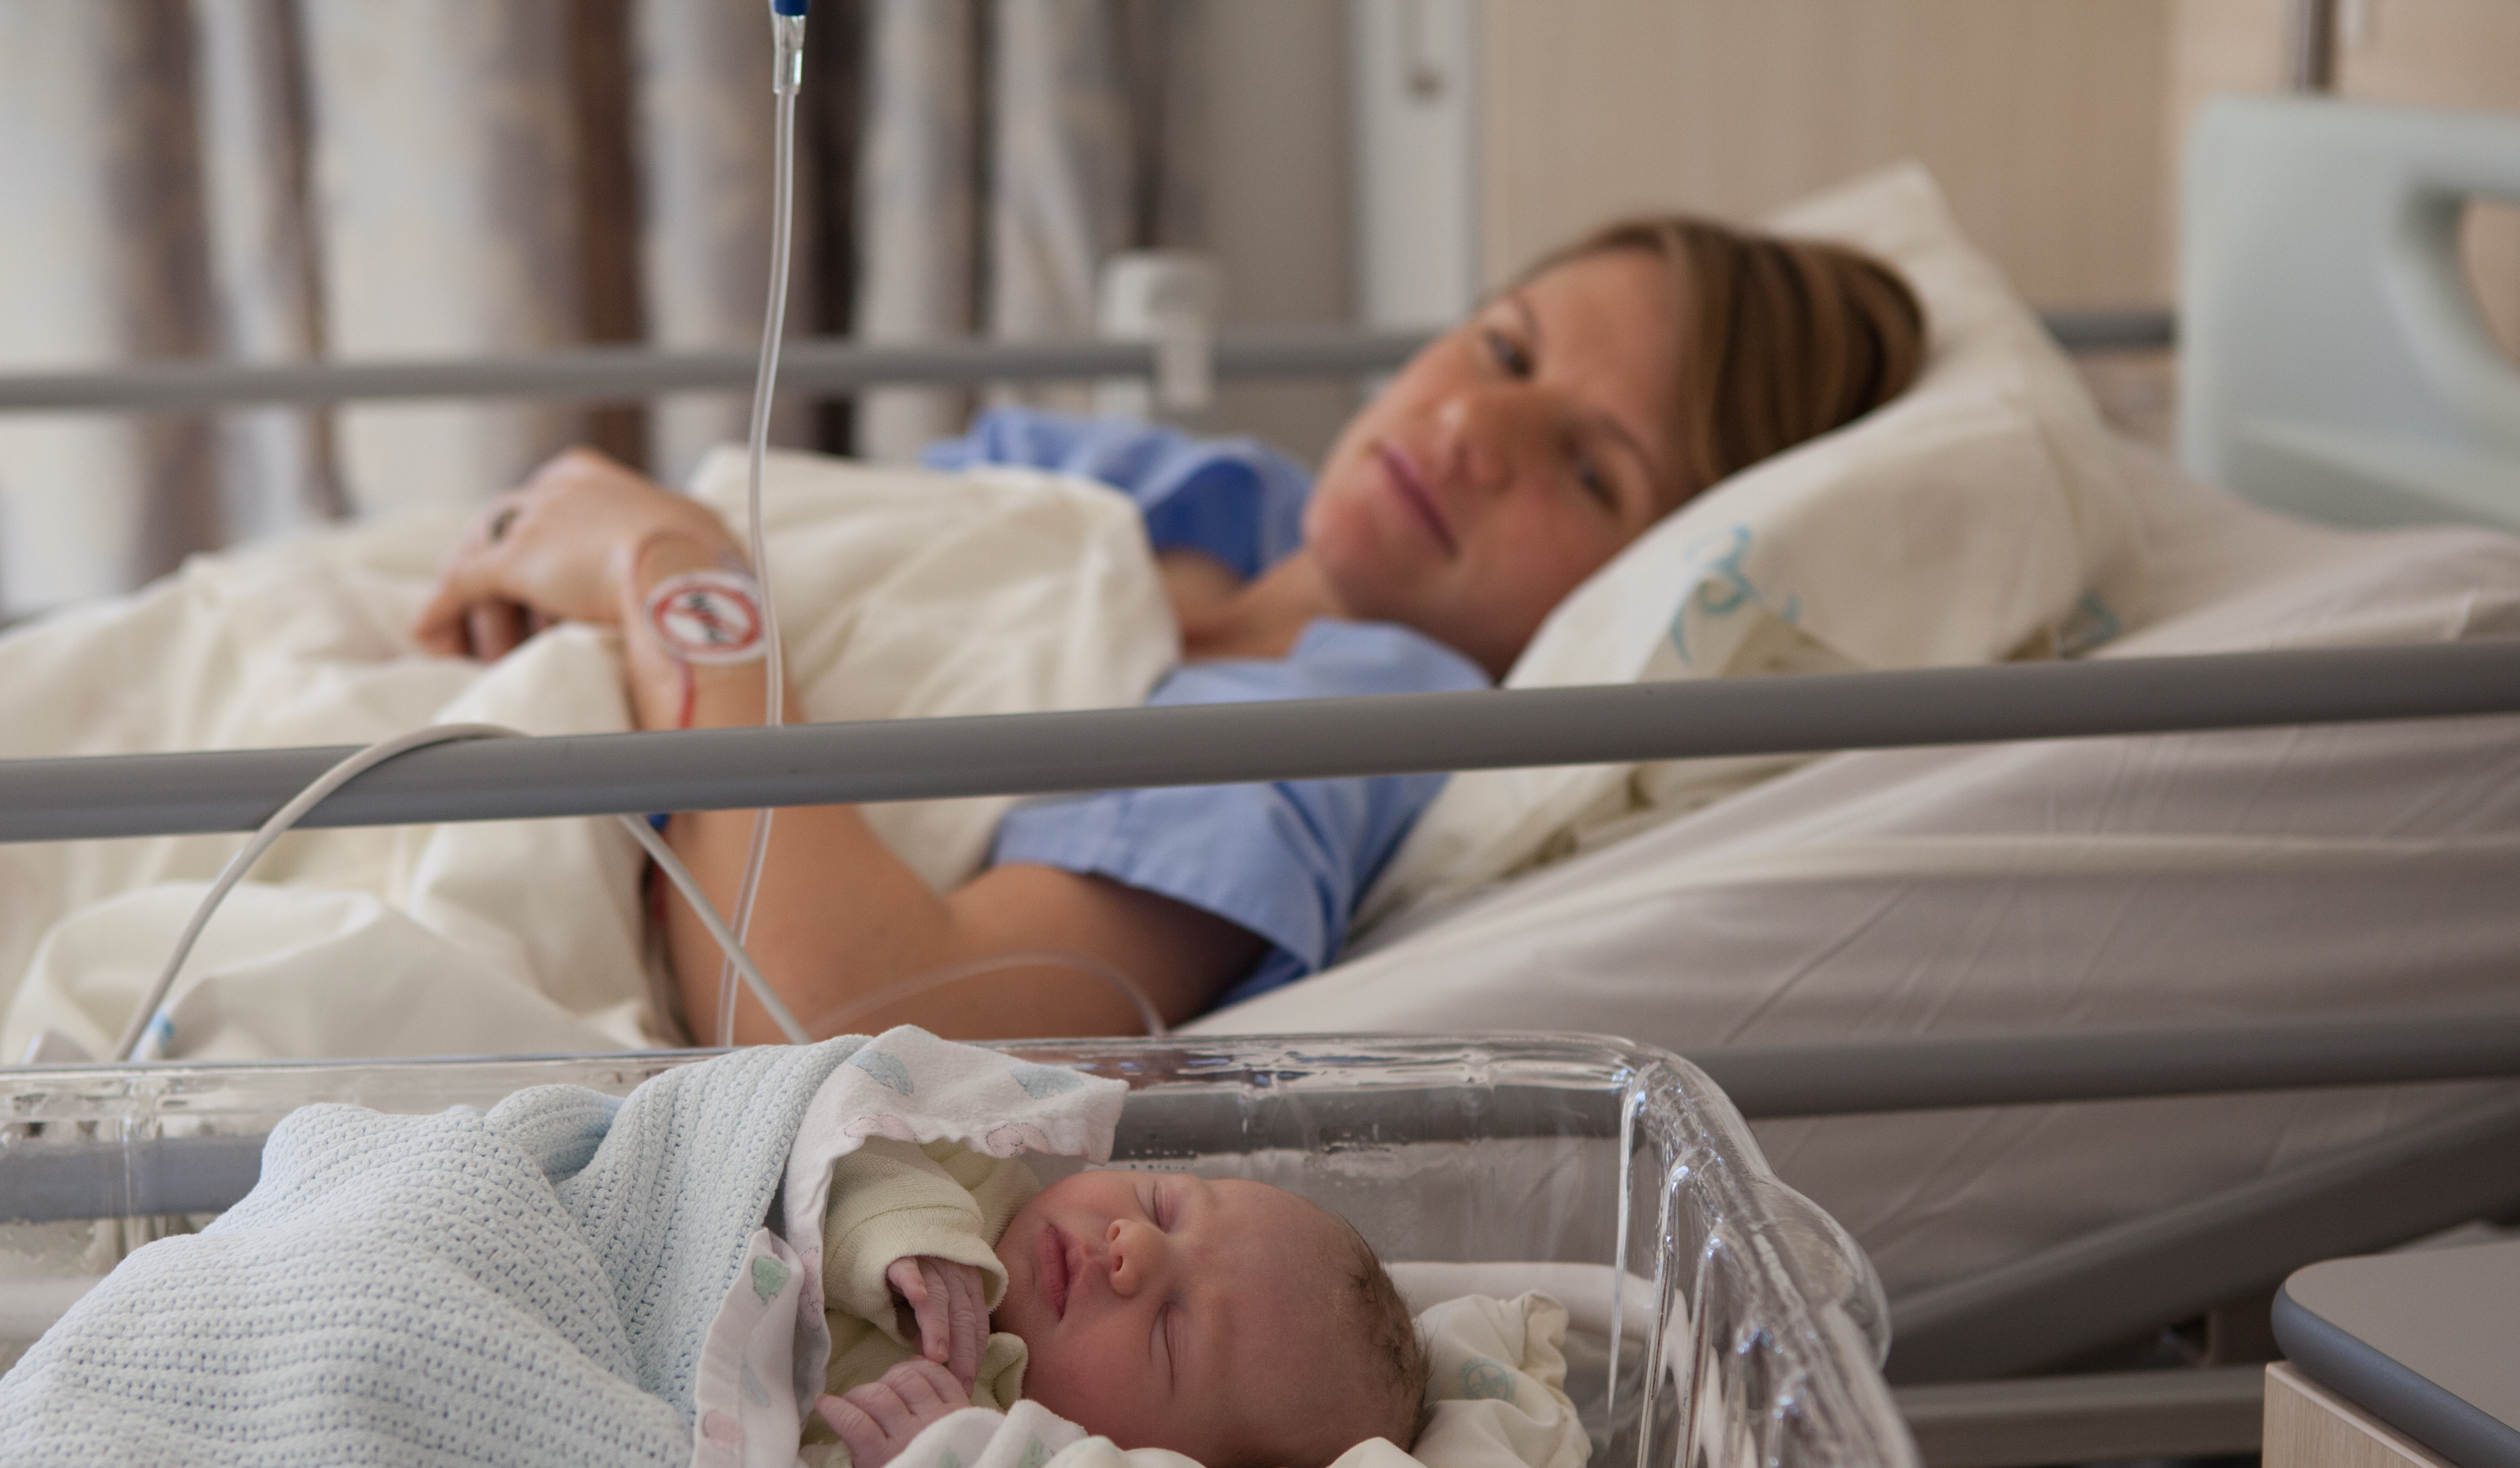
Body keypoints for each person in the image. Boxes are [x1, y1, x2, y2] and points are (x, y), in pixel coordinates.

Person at [415, 217, 1926, 1045]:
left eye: (1591, 467)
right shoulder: (1195, 493)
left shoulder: (1348, 718)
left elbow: (846, 1011)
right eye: (1503, 345)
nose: (1468, 421)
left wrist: (675, 574)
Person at [804, 1136, 1422, 1468]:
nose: (1135, 1245)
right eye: (1162, 1206)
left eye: (1170, 1331)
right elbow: (817, 1131)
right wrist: (904, 1223)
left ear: (1151, 1463)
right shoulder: (967, 1172)